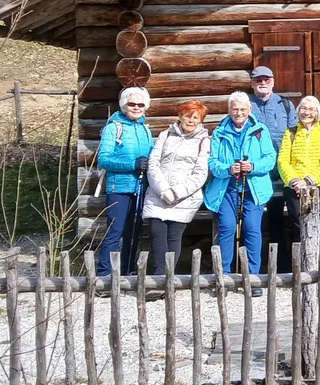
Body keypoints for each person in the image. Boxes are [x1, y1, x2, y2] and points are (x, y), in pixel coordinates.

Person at [204, 91, 277, 291]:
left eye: (242, 109)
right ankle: (224, 276)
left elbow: (270, 159)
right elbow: (213, 162)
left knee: (252, 229)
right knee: (226, 228)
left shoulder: (260, 130)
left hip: (253, 188)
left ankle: (253, 277)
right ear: (229, 110)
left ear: (249, 110)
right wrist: (228, 169)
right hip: (227, 187)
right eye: (235, 109)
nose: (238, 113)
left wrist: (252, 166)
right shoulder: (219, 132)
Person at [142, 100, 211, 286]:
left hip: (184, 197)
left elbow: (200, 173)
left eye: (195, 118)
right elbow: (153, 163)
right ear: (180, 116)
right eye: (188, 116)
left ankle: (167, 278)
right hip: (158, 193)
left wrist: (177, 192)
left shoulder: (203, 141)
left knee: (173, 236)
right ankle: (159, 278)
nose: (191, 120)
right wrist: (163, 189)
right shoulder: (166, 135)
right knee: (157, 233)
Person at [96, 87, 155, 280]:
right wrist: (133, 164)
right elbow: (103, 160)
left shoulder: (146, 129)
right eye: (132, 104)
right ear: (124, 105)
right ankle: (104, 275)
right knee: (115, 231)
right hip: (119, 188)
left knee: (134, 232)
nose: (136, 108)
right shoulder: (114, 127)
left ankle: (128, 272)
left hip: (140, 187)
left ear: (145, 107)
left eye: (140, 104)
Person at [247, 66, 298, 272]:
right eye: (258, 79)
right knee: (255, 219)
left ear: (273, 82)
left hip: (282, 172)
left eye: (266, 79)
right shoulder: (246, 105)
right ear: (252, 83)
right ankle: (255, 266)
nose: (262, 82)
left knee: (281, 218)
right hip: (256, 173)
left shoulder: (285, 105)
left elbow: (295, 136)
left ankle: (284, 265)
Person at [278, 95, 320, 241]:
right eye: (303, 108)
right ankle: (300, 262)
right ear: (298, 111)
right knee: (299, 226)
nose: (307, 112)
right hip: (294, 187)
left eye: (311, 109)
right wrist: (295, 181)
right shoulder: (289, 133)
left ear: (317, 113)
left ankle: (319, 263)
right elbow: (283, 161)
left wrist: (308, 181)